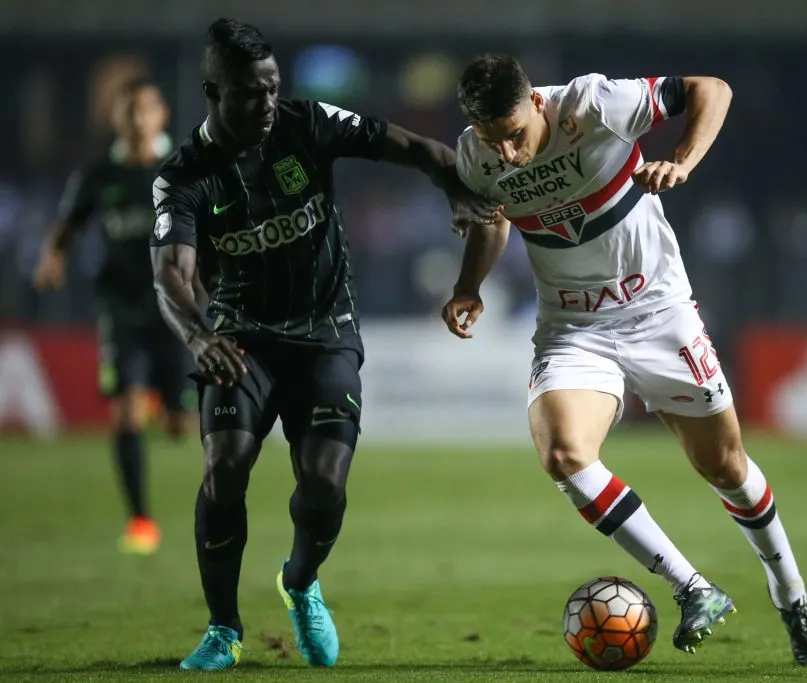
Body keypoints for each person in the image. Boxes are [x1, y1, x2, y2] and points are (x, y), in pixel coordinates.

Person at [442, 54, 807, 667]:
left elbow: (714, 88)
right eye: (497, 143)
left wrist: (681, 160)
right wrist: (470, 284)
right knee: (565, 455)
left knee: (725, 466)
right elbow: (492, 218)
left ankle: (793, 598)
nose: (511, 154)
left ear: (538, 103)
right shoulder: (475, 153)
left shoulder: (594, 104)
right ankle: (694, 588)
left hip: (657, 312)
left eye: (517, 136)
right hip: (574, 326)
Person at [151, 18, 498, 671]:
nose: (266, 105)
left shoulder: (306, 123)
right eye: (251, 94)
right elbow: (172, 273)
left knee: (323, 482)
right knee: (224, 466)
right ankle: (223, 627)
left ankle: (301, 581)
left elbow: (410, 145)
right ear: (212, 92)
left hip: (324, 329)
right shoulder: (183, 175)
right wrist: (197, 336)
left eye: (272, 89)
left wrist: (453, 181)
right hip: (238, 337)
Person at [34, 78, 193, 556]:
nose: (136, 121)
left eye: (143, 110)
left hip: (177, 311)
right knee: (123, 413)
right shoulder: (99, 175)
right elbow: (68, 225)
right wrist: (53, 258)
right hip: (120, 309)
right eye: (127, 112)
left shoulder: (185, 167)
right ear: (116, 120)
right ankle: (140, 520)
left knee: (179, 424)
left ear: (160, 115)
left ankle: (161, 402)